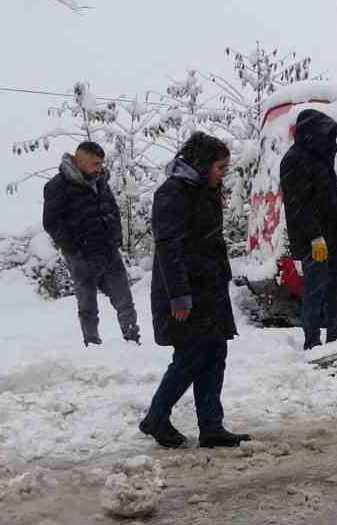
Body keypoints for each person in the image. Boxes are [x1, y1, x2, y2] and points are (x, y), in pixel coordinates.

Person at [139, 133, 250, 449]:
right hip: (187, 291)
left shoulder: (203, 189)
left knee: (215, 354)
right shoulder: (172, 192)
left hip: (210, 288)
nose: (223, 174)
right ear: (202, 164)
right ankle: (156, 418)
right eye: (220, 167)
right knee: (190, 356)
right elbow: (168, 246)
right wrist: (179, 295)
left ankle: (212, 427)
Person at [41, 141, 140, 346]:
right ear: (79, 161)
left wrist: (116, 237)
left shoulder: (101, 180)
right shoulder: (56, 186)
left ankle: (132, 339)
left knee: (124, 298)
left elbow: (111, 209)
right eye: (95, 163)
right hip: (80, 254)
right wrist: (73, 248)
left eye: (101, 163)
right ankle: (92, 343)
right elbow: (51, 222)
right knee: (87, 302)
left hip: (108, 249)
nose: (100, 167)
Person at [279, 109, 337, 350]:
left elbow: (330, 201)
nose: (333, 142)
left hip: (331, 236)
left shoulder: (319, 155)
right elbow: (298, 204)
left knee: (336, 286)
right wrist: (315, 236)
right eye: (328, 136)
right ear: (312, 134)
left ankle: (335, 335)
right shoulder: (294, 160)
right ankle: (311, 342)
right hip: (315, 240)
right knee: (315, 290)